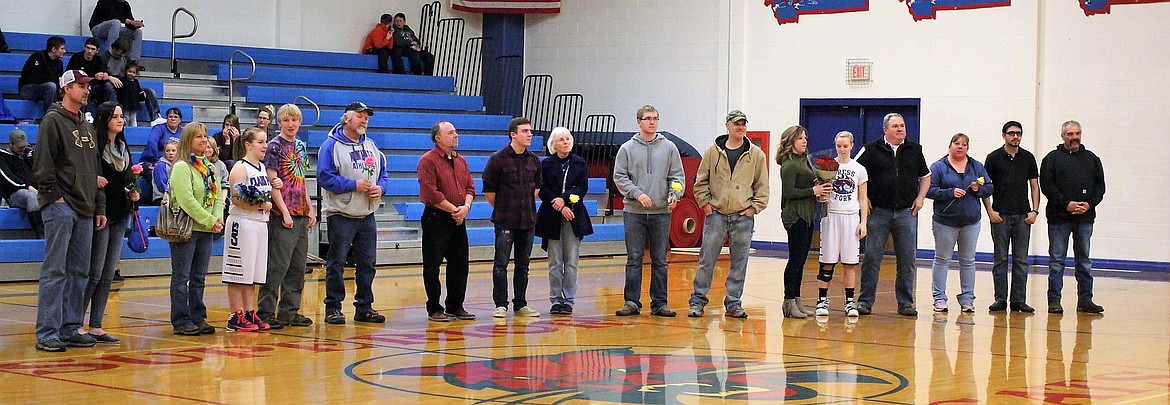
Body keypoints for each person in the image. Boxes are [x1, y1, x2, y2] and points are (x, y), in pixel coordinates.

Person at [32, 70, 104, 352]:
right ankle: (47, 331)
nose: (87, 91)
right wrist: (55, 198)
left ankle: (70, 326)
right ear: (66, 89)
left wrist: (98, 205)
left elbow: (95, 170)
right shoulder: (52, 121)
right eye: (81, 86)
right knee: (55, 270)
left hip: (86, 207)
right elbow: (42, 164)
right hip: (61, 207)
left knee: (79, 272)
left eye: (88, 86)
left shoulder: (86, 126)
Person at [688, 110, 770, 319]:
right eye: (736, 124)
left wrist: (754, 208)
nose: (740, 127)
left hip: (743, 217)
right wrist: (705, 205)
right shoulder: (712, 152)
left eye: (743, 124)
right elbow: (700, 181)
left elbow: (762, 186)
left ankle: (733, 303)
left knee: (739, 262)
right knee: (707, 259)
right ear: (727, 125)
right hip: (716, 215)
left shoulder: (757, 155)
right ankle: (697, 301)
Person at [317, 102, 389, 324]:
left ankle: (364, 306)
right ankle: (333, 307)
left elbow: (384, 174)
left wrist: (381, 188)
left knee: (368, 263)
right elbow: (324, 177)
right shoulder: (331, 146)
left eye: (367, 116)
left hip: (367, 214)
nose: (364, 120)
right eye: (359, 116)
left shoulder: (372, 146)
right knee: (336, 262)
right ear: (346, 119)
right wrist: (352, 185)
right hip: (341, 213)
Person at [855, 113, 930, 317]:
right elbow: (854, 173)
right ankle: (865, 301)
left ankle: (905, 303)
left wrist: (921, 198)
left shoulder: (915, 150)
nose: (900, 129)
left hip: (906, 212)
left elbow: (925, 177)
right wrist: (864, 197)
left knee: (907, 259)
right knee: (872, 257)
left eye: (903, 125)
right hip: (878, 212)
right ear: (885, 129)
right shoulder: (871, 149)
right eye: (895, 126)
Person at [612, 105, 684, 318]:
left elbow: (677, 177)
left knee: (660, 259)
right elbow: (620, 177)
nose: (652, 122)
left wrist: (675, 194)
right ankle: (631, 302)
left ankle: (660, 303)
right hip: (634, 212)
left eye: (655, 118)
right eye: (648, 118)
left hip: (661, 212)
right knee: (634, 258)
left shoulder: (669, 147)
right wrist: (636, 193)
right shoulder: (626, 148)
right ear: (639, 122)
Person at [84, 101, 139, 344]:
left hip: (120, 213)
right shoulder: (95, 147)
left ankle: (96, 325)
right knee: (93, 272)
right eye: (115, 116)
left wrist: (132, 191)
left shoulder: (122, 146)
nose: (120, 120)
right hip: (101, 213)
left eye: (121, 116)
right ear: (104, 119)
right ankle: (75, 323)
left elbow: (125, 178)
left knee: (108, 274)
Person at [258, 104, 317, 329]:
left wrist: (310, 208)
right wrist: (283, 211)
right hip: (282, 213)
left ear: (300, 122)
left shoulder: (301, 146)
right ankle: (266, 311)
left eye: (294, 120)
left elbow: (301, 181)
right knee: (277, 264)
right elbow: (273, 183)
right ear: (279, 123)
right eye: (286, 121)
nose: (290, 125)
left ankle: (289, 310)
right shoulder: (274, 146)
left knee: (297, 266)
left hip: (301, 211)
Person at [1040, 120, 1106, 314]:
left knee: (1084, 260)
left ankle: (1085, 300)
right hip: (1059, 218)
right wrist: (1065, 204)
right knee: (1057, 261)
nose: (1074, 137)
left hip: (1085, 218)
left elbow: (1100, 186)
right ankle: (1054, 301)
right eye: (1070, 134)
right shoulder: (1051, 159)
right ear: (1063, 137)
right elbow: (1047, 186)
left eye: (1077, 133)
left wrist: (1089, 204)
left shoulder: (1092, 158)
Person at [167, 122, 224, 336]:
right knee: (181, 276)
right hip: (186, 229)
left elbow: (217, 196)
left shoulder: (209, 167)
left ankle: (198, 316)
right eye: (198, 136)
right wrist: (210, 220)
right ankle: (181, 320)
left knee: (199, 277)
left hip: (206, 229)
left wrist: (217, 219)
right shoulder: (182, 166)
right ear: (188, 141)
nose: (203, 140)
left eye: (205, 136)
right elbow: (186, 201)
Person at [417, 121, 477, 322]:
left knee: (460, 264)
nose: (456, 135)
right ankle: (434, 307)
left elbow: (470, 187)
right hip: (438, 217)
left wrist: (465, 208)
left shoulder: (461, 161)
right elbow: (430, 192)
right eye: (451, 132)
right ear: (438, 138)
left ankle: (455, 305)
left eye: (456, 131)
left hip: (459, 217)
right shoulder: (428, 160)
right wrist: (454, 210)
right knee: (432, 265)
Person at [483, 117, 543, 318]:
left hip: (528, 221)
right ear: (513, 134)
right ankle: (500, 304)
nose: (529, 135)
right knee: (501, 264)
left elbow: (537, 188)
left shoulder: (534, 160)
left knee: (523, 265)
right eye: (525, 131)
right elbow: (489, 192)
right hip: (505, 220)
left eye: (530, 131)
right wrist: (506, 206)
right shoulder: (497, 159)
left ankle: (521, 304)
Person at [927, 133, 993, 313]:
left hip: (971, 222)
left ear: (967, 148)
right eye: (956, 143)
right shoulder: (939, 167)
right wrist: (949, 192)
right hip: (945, 222)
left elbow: (989, 187)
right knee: (942, 259)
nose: (960, 147)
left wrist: (978, 189)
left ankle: (967, 299)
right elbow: (929, 190)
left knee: (968, 261)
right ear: (950, 146)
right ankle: (939, 298)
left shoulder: (976, 166)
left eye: (964, 144)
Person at [982, 120, 1040, 313]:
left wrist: (1034, 211)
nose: (1015, 136)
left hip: (1023, 216)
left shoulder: (1028, 158)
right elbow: (985, 187)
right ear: (1004, 135)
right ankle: (1000, 299)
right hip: (1000, 216)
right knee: (1000, 259)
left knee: (1021, 260)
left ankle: (1018, 300)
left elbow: (1034, 186)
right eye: (1011, 133)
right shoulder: (993, 158)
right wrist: (990, 211)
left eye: (1018, 133)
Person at [535, 127, 593, 316]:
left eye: (568, 139)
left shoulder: (579, 162)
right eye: (561, 139)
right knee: (554, 261)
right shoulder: (546, 164)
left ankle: (568, 300)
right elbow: (542, 188)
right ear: (553, 144)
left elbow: (582, 187)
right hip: (551, 216)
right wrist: (557, 203)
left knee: (571, 261)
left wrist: (565, 199)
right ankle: (555, 299)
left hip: (574, 216)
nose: (566, 142)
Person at [775, 125, 831, 318]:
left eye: (805, 138)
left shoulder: (803, 161)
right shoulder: (789, 164)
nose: (805, 141)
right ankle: (789, 301)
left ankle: (797, 299)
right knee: (795, 260)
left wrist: (817, 188)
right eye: (800, 138)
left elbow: (804, 187)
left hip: (807, 214)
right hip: (795, 216)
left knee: (801, 261)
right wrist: (812, 191)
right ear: (791, 142)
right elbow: (789, 192)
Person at [222, 127, 273, 332]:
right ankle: (235, 315)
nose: (265, 146)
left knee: (252, 273)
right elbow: (237, 199)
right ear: (248, 145)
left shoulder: (261, 167)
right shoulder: (239, 168)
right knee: (238, 272)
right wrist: (262, 205)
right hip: (241, 223)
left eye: (266, 141)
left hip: (260, 224)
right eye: (261, 142)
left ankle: (250, 311)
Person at [814, 131, 868, 317]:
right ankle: (822, 301)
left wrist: (864, 222)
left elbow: (863, 198)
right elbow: (821, 192)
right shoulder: (827, 166)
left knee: (849, 263)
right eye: (839, 146)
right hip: (831, 216)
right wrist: (822, 196)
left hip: (851, 217)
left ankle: (850, 302)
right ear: (835, 145)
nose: (842, 149)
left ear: (852, 146)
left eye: (845, 146)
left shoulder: (859, 169)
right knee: (827, 261)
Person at [0, 128, 43, 238]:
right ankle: (40, 231)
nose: (22, 148)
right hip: (15, 194)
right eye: (19, 146)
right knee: (31, 196)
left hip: (36, 189)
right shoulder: (3, 157)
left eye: (23, 146)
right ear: (11, 144)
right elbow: (8, 179)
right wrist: (27, 186)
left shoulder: (29, 154)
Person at [140, 108, 184, 203]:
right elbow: (152, 142)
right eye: (170, 116)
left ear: (180, 120)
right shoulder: (159, 128)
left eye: (176, 117)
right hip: (152, 161)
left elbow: (186, 148)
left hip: (174, 162)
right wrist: (156, 160)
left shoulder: (183, 132)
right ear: (166, 118)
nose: (173, 119)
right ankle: (153, 200)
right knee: (155, 172)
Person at [65, 37, 119, 114]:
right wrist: (94, 77)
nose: (89, 51)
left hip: (96, 86)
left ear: (97, 51)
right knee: (87, 88)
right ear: (84, 47)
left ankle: (113, 112)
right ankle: (85, 113)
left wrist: (106, 76)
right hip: (80, 86)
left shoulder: (99, 60)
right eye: (88, 48)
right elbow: (71, 75)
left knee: (109, 87)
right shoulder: (76, 58)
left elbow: (104, 73)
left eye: (93, 49)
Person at [18, 36, 66, 116]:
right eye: (62, 49)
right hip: (27, 89)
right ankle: (50, 116)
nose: (64, 51)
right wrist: (58, 79)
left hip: (47, 91)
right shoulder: (37, 57)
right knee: (51, 86)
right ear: (54, 49)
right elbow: (38, 78)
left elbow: (59, 81)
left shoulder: (59, 63)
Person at [114, 61, 162, 127]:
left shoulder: (136, 82)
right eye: (129, 71)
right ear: (125, 71)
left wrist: (142, 93)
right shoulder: (122, 80)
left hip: (134, 103)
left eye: (133, 72)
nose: (131, 74)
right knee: (126, 117)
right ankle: (126, 128)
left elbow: (138, 90)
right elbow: (119, 91)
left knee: (133, 118)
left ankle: (134, 128)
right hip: (125, 102)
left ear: (136, 73)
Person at [151, 139, 179, 205]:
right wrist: (174, 195)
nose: (170, 153)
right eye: (167, 151)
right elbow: (162, 186)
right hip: (162, 197)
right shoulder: (160, 165)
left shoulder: (180, 165)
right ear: (164, 153)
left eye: (173, 151)